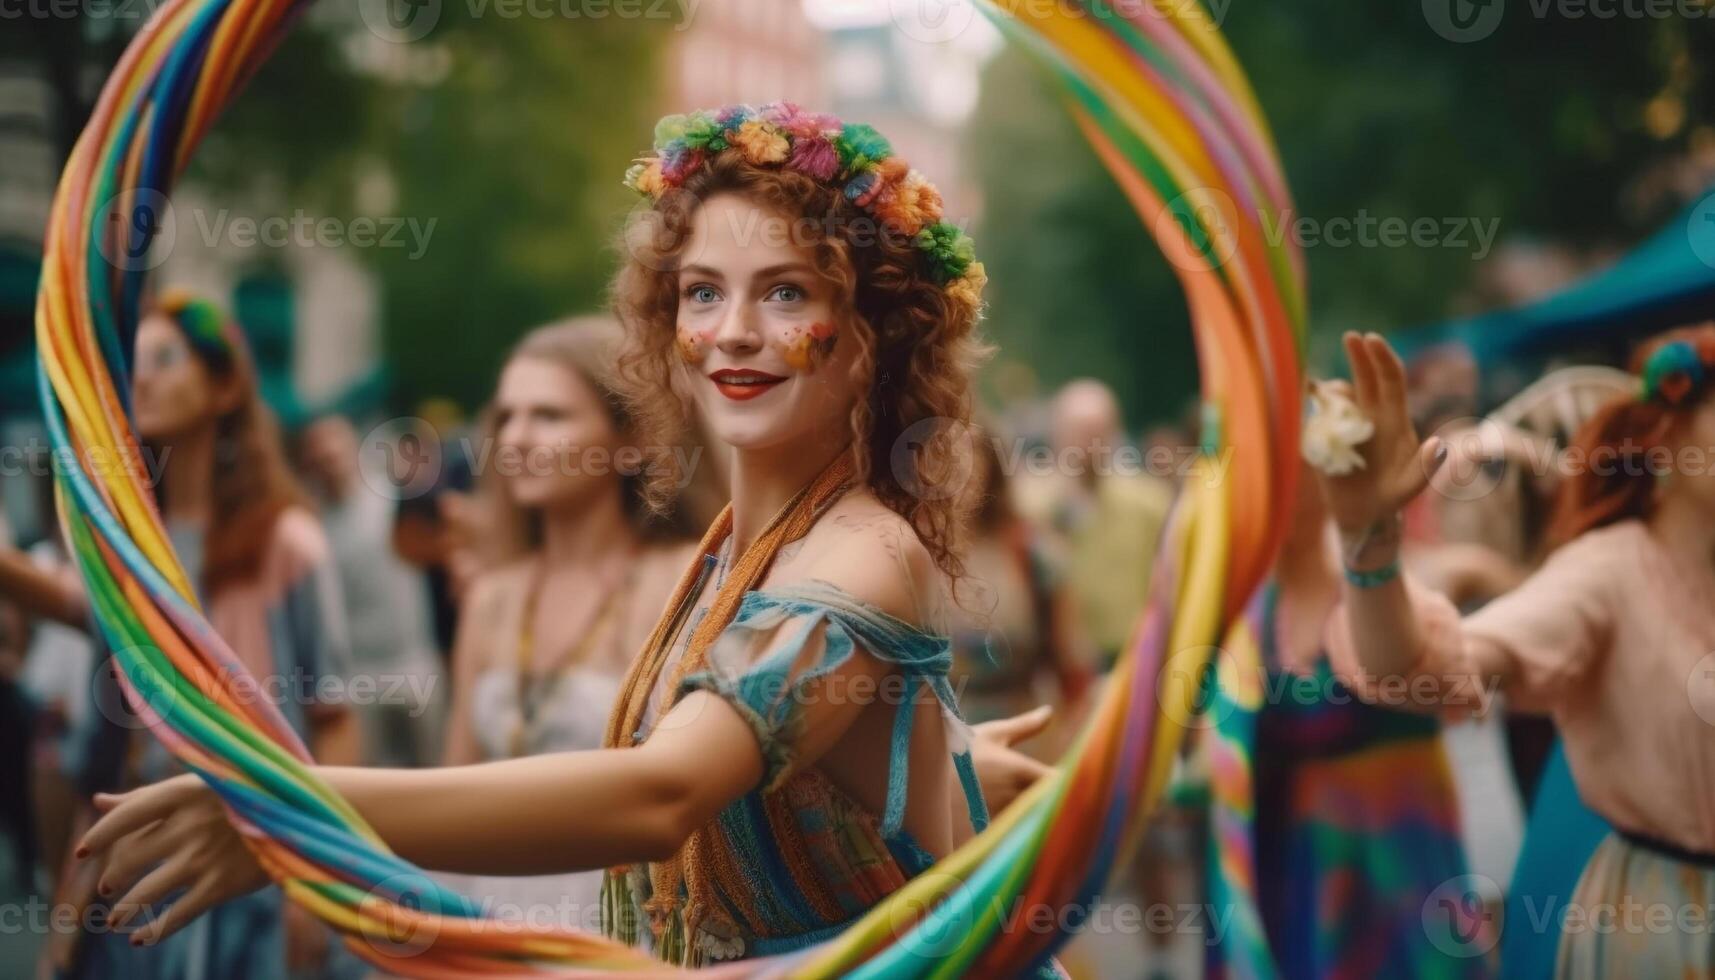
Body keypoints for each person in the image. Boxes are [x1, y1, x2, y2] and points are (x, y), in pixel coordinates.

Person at [76, 103, 1050, 966]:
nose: (734, 330)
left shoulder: (863, 546)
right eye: (702, 290)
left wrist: (281, 813)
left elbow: (660, 792)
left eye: (787, 292)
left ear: (874, 329)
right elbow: (833, 741)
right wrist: (945, 758)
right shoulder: (739, 545)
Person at [1316, 328, 1715, 978]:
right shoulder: (1605, 573)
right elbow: (1421, 668)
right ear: (1667, 440)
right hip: (1658, 935)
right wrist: (1370, 548)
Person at [64, 289, 358, 980]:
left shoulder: (288, 542)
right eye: (131, 365)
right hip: (136, 875)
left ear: (225, 387)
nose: (142, 379)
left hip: (255, 864)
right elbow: (106, 753)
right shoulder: (126, 550)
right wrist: (65, 921)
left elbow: (335, 718)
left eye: (166, 358)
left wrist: (314, 892)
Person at [436, 318, 696, 932]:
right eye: (506, 417)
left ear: (629, 441)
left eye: (549, 416)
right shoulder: (492, 597)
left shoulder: (682, 580)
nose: (517, 439)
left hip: (626, 930)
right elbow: (454, 790)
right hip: (496, 923)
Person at [1202, 459, 1488, 979]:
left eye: (1309, 479)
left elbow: (1473, 595)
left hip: (1404, 866)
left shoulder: (1387, 589)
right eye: (1275, 483)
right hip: (1300, 874)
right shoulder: (1238, 618)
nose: (1294, 499)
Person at [298, 413, 444, 769]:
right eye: (321, 450)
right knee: (376, 777)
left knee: (438, 767)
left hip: (414, 660)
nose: (330, 455)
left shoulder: (395, 498)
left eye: (337, 444)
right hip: (359, 674)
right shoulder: (313, 525)